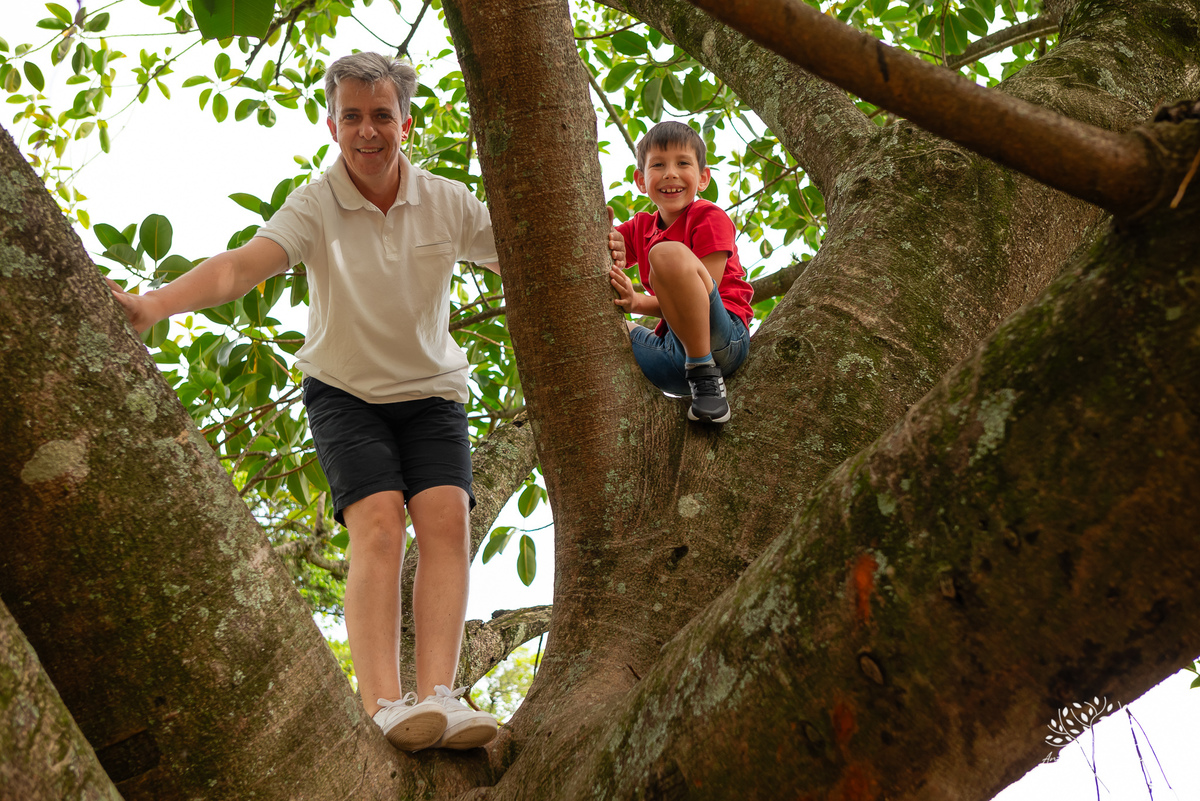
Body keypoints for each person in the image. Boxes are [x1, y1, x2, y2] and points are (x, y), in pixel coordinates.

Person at [109, 52, 621, 752]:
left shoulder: (446, 201)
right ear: (331, 124)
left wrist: (608, 251)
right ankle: (383, 701)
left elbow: (531, 250)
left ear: (406, 123)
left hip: (432, 392)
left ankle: (441, 693)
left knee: (446, 519)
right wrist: (153, 304)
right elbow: (239, 266)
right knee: (379, 522)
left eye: (381, 115)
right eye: (352, 116)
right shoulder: (316, 203)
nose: (367, 130)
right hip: (345, 393)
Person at [608, 121, 753, 424]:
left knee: (666, 253)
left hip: (721, 341)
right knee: (609, 330)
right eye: (658, 164)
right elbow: (608, 244)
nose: (670, 173)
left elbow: (701, 295)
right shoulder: (641, 227)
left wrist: (636, 303)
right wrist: (598, 227)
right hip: (673, 362)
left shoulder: (709, 217)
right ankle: (695, 373)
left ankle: (705, 376)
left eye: (682, 163)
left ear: (702, 178)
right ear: (640, 180)